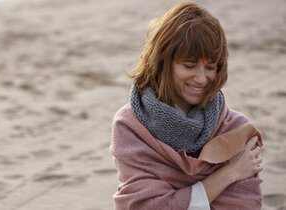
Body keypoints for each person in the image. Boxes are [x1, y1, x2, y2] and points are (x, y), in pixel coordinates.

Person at [110, 2, 263, 210]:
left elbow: (244, 205)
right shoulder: (130, 125)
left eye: (210, 67)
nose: (201, 79)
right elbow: (144, 206)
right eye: (189, 65)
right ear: (163, 62)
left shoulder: (235, 130)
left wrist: (178, 198)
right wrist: (229, 174)